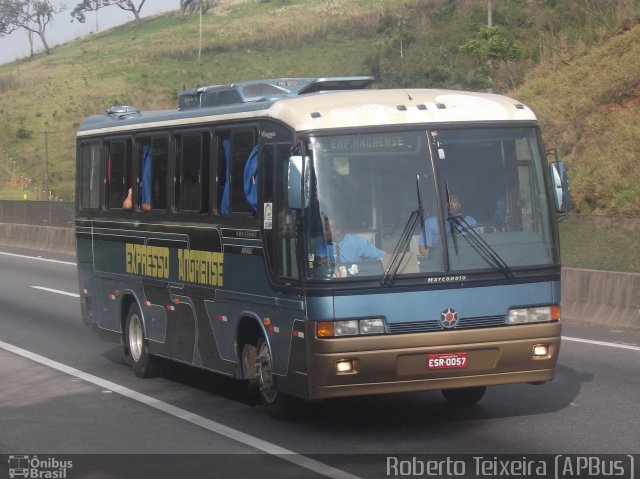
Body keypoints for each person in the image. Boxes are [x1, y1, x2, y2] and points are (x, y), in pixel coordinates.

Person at [315, 214, 385, 267]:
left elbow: (383, 257)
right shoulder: (322, 243)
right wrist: (320, 261)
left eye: (326, 229)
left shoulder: (359, 244)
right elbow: (319, 260)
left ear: (338, 230)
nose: (324, 232)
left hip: (353, 282)